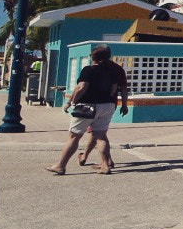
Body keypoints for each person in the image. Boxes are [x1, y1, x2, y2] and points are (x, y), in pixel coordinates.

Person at [46, 45, 129, 175]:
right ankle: (105, 165)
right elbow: (120, 89)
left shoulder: (89, 70)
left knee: (74, 136)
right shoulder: (115, 70)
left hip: (88, 106)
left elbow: (81, 87)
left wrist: (70, 102)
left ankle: (61, 165)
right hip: (108, 105)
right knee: (101, 136)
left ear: (93, 57)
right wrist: (124, 104)